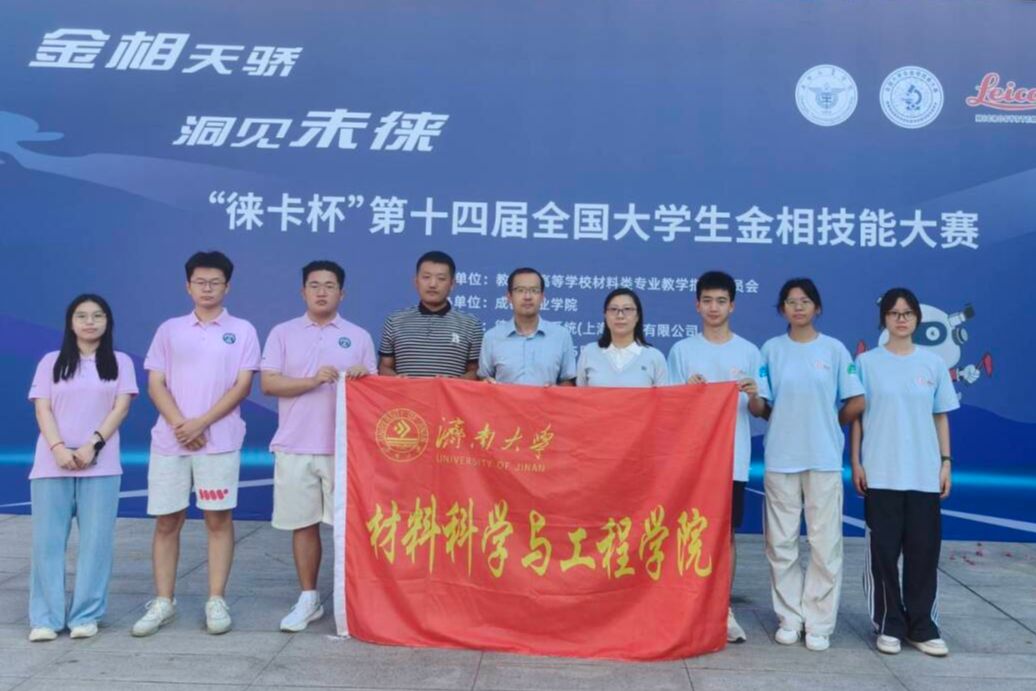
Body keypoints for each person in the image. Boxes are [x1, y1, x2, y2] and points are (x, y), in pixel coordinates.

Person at [132, 251, 260, 637]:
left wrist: (201, 423)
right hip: (170, 442)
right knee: (167, 521)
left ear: (227, 286)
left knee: (217, 519)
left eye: (215, 282)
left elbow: (242, 386)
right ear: (188, 286)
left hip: (219, 441)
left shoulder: (242, 330)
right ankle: (163, 601)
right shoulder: (170, 329)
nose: (207, 288)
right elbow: (156, 382)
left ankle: (216, 599)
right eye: (200, 282)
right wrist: (180, 424)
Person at [261, 260, 376, 632]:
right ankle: (309, 598)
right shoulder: (282, 333)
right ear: (303, 291)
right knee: (303, 524)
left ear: (342, 293)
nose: (322, 292)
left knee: (349, 528)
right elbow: (269, 384)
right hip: (295, 444)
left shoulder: (358, 336)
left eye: (329, 286)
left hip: (344, 449)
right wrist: (311, 381)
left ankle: (353, 599)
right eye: (314, 285)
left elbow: (376, 393)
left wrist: (363, 378)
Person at [758, 278, 864, 652]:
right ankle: (789, 617)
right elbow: (763, 405)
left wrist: (829, 424)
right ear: (782, 309)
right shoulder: (771, 350)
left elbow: (856, 401)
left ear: (817, 307)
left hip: (823, 458)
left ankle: (819, 622)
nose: (798, 307)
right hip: (781, 457)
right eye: (791, 301)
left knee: (824, 544)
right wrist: (769, 409)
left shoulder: (833, 349)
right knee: (781, 543)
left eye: (805, 301)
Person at [851, 288, 958, 657]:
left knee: (923, 552)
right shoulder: (867, 363)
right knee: (883, 554)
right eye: (894, 313)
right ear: (883, 318)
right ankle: (889, 623)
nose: (901, 319)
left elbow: (940, 416)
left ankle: (922, 626)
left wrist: (946, 462)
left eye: (908, 313)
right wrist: (856, 462)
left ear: (917, 319)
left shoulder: (932, 364)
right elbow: (857, 417)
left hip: (924, 474)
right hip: (880, 472)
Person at [27, 294, 138, 642]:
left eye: (98, 315)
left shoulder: (120, 362)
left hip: (101, 466)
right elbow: (42, 409)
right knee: (47, 543)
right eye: (82, 316)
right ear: (70, 322)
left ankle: (86, 615)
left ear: (108, 322)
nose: (90, 322)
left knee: (95, 544)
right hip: (51, 465)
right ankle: (45, 618)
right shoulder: (50, 362)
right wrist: (58, 449)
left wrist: (92, 445)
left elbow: (120, 408)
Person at [666, 271, 768, 644]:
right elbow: (669, 408)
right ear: (697, 305)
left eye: (721, 301)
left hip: (732, 458)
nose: (713, 308)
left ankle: (722, 609)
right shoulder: (682, 351)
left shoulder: (749, 352)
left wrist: (754, 394)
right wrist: (687, 392)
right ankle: (684, 605)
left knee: (725, 534)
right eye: (707, 301)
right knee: (687, 531)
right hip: (691, 460)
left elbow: (760, 410)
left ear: (732, 306)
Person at [378, 251, 483, 379]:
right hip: (405, 392)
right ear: (416, 281)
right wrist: (397, 380)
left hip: (449, 392)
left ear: (452, 284)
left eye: (441, 278)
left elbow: (477, 372)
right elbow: (384, 367)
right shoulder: (394, 321)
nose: (433, 284)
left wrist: (454, 383)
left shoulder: (471, 324)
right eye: (426, 277)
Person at [478, 267, 576, 386]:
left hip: (546, 399)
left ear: (542, 297)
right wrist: (485, 382)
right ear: (509, 297)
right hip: (504, 399)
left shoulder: (561, 336)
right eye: (520, 290)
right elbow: (483, 379)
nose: (527, 297)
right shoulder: (492, 337)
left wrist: (557, 390)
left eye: (534, 290)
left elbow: (568, 381)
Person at [576, 288, 667, 387]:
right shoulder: (589, 352)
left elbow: (663, 396)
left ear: (637, 316)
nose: (620, 316)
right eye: (613, 309)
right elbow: (580, 394)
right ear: (605, 315)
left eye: (627, 309)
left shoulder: (654, 357)